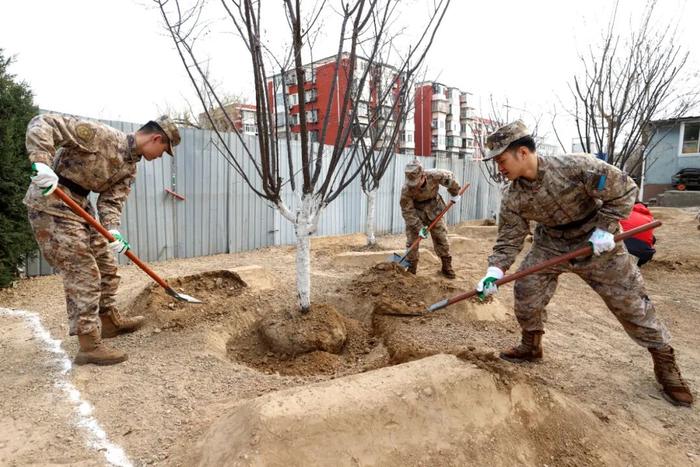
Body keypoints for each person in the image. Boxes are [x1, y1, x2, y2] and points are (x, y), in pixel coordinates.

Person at [474, 120, 692, 407]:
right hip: (551, 243)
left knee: (631, 303)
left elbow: (624, 190)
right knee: (527, 291)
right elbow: (509, 238)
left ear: (523, 153)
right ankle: (531, 345)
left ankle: (664, 362)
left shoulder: (577, 167)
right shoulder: (513, 196)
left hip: (598, 241)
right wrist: (494, 271)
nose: (499, 168)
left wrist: (604, 229)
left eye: (502, 160)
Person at [25, 113, 180, 365]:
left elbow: (111, 200)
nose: (161, 156)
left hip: (82, 208)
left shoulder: (130, 167)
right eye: (164, 150)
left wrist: (113, 230)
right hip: (52, 202)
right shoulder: (101, 136)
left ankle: (107, 321)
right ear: (156, 138)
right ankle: (88, 344)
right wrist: (41, 162)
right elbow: (43, 122)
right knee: (83, 271)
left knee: (107, 265)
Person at [400, 161, 462, 279]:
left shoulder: (435, 175)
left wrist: (455, 193)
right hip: (416, 213)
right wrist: (419, 228)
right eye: (412, 184)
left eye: (416, 183)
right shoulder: (406, 190)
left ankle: (446, 266)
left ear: (423, 176)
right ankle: (411, 269)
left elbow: (450, 180)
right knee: (412, 242)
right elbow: (407, 211)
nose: (414, 186)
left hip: (434, 208)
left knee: (441, 238)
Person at [620, 202, 656, 266]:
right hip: (642, 254)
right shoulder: (649, 218)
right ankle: (637, 264)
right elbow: (651, 239)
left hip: (621, 247)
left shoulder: (623, 213)